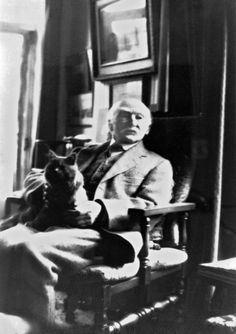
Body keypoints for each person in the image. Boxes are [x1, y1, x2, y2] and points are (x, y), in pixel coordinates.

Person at [0, 98, 174, 332]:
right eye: (124, 116)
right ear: (110, 124)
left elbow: (150, 204)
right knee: (3, 242)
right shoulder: (83, 153)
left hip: (110, 233)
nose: (132, 121)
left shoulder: (158, 164)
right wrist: (50, 184)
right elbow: (35, 176)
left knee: (31, 250)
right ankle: (11, 321)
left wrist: (100, 209)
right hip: (58, 222)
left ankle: (41, 327)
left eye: (139, 117)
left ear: (148, 128)